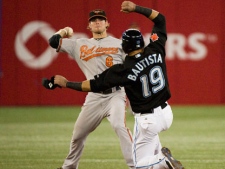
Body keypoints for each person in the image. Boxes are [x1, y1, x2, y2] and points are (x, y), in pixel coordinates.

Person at [51, 1, 185, 169]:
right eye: (94, 20)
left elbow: (95, 84)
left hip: (146, 119)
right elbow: (160, 20)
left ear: (124, 47)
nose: (97, 22)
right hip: (166, 113)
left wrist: (67, 83)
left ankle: (164, 162)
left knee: (140, 166)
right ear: (142, 42)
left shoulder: (124, 70)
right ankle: (160, 157)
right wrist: (136, 8)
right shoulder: (156, 48)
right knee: (151, 145)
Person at [47, 8, 134, 169]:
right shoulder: (78, 45)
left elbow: (130, 70)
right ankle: (69, 166)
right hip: (93, 97)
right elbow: (53, 42)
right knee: (78, 134)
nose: (97, 22)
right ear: (89, 26)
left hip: (115, 95)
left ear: (107, 23)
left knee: (119, 126)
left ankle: (136, 165)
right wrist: (64, 31)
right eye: (93, 20)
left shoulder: (119, 44)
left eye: (101, 19)